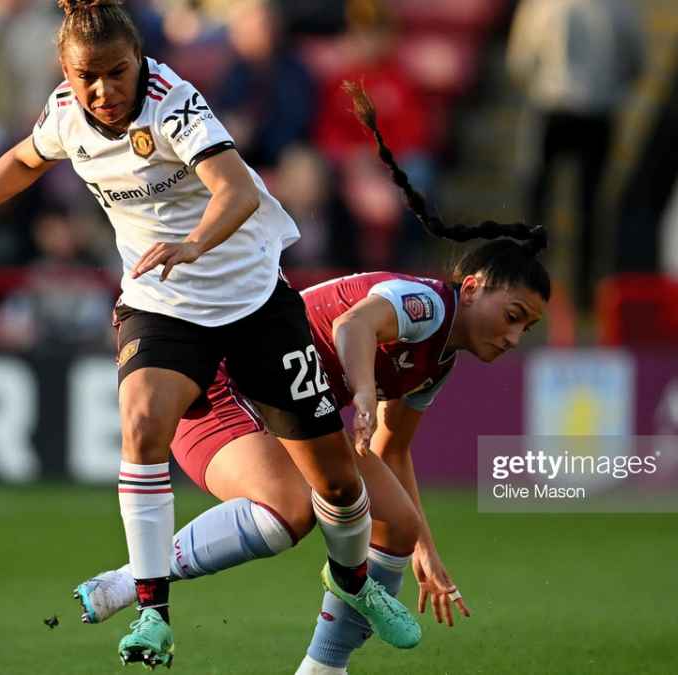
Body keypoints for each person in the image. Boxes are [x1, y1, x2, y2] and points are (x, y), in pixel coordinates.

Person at [0, 2, 418, 668]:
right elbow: (26, 160)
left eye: (117, 73)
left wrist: (193, 243)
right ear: (66, 71)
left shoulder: (175, 104)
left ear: (140, 61)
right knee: (142, 421)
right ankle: (151, 612)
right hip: (160, 303)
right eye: (90, 78)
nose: (104, 91)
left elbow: (237, 192)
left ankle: (353, 584)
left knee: (337, 489)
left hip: (253, 300)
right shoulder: (64, 111)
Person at [72, 82, 551, 675]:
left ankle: (322, 671)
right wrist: (368, 394)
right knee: (289, 513)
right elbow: (353, 324)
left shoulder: (438, 362)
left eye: (525, 330)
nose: (511, 337)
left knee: (395, 526)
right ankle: (133, 580)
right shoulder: (424, 304)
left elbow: (392, 451)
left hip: (292, 408)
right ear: (473, 287)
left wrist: (426, 547)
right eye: (512, 316)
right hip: (231, 381)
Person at [507, 0, 644, 310]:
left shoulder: (540, 5)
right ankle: (584, 292)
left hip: (551, 108)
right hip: (597, 113)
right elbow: (636, 63)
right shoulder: (621, 8)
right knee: (590, 204)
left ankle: (528, 283)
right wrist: (609, 86)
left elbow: (520, 62)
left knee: (537, 199)